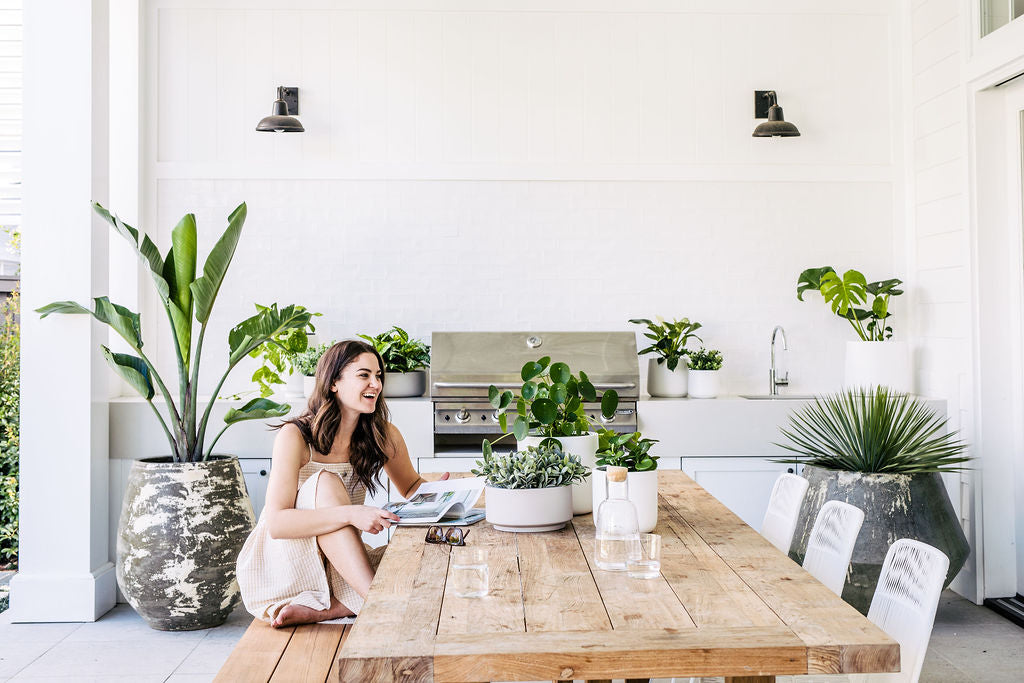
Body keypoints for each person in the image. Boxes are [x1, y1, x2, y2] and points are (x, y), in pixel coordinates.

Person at [236, 339, 448, 627]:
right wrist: (351, 514)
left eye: (378, 376)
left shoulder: (381, 434)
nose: (375, 384)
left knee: (424, 558)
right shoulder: (295, 436)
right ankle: (377, 603)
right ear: (334, 382)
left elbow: (411, 487)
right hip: (286, 563)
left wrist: (440, 492)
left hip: (339, 563)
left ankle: (333, 606)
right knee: (325, 481)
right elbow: (277, 524)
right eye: (364, 375)